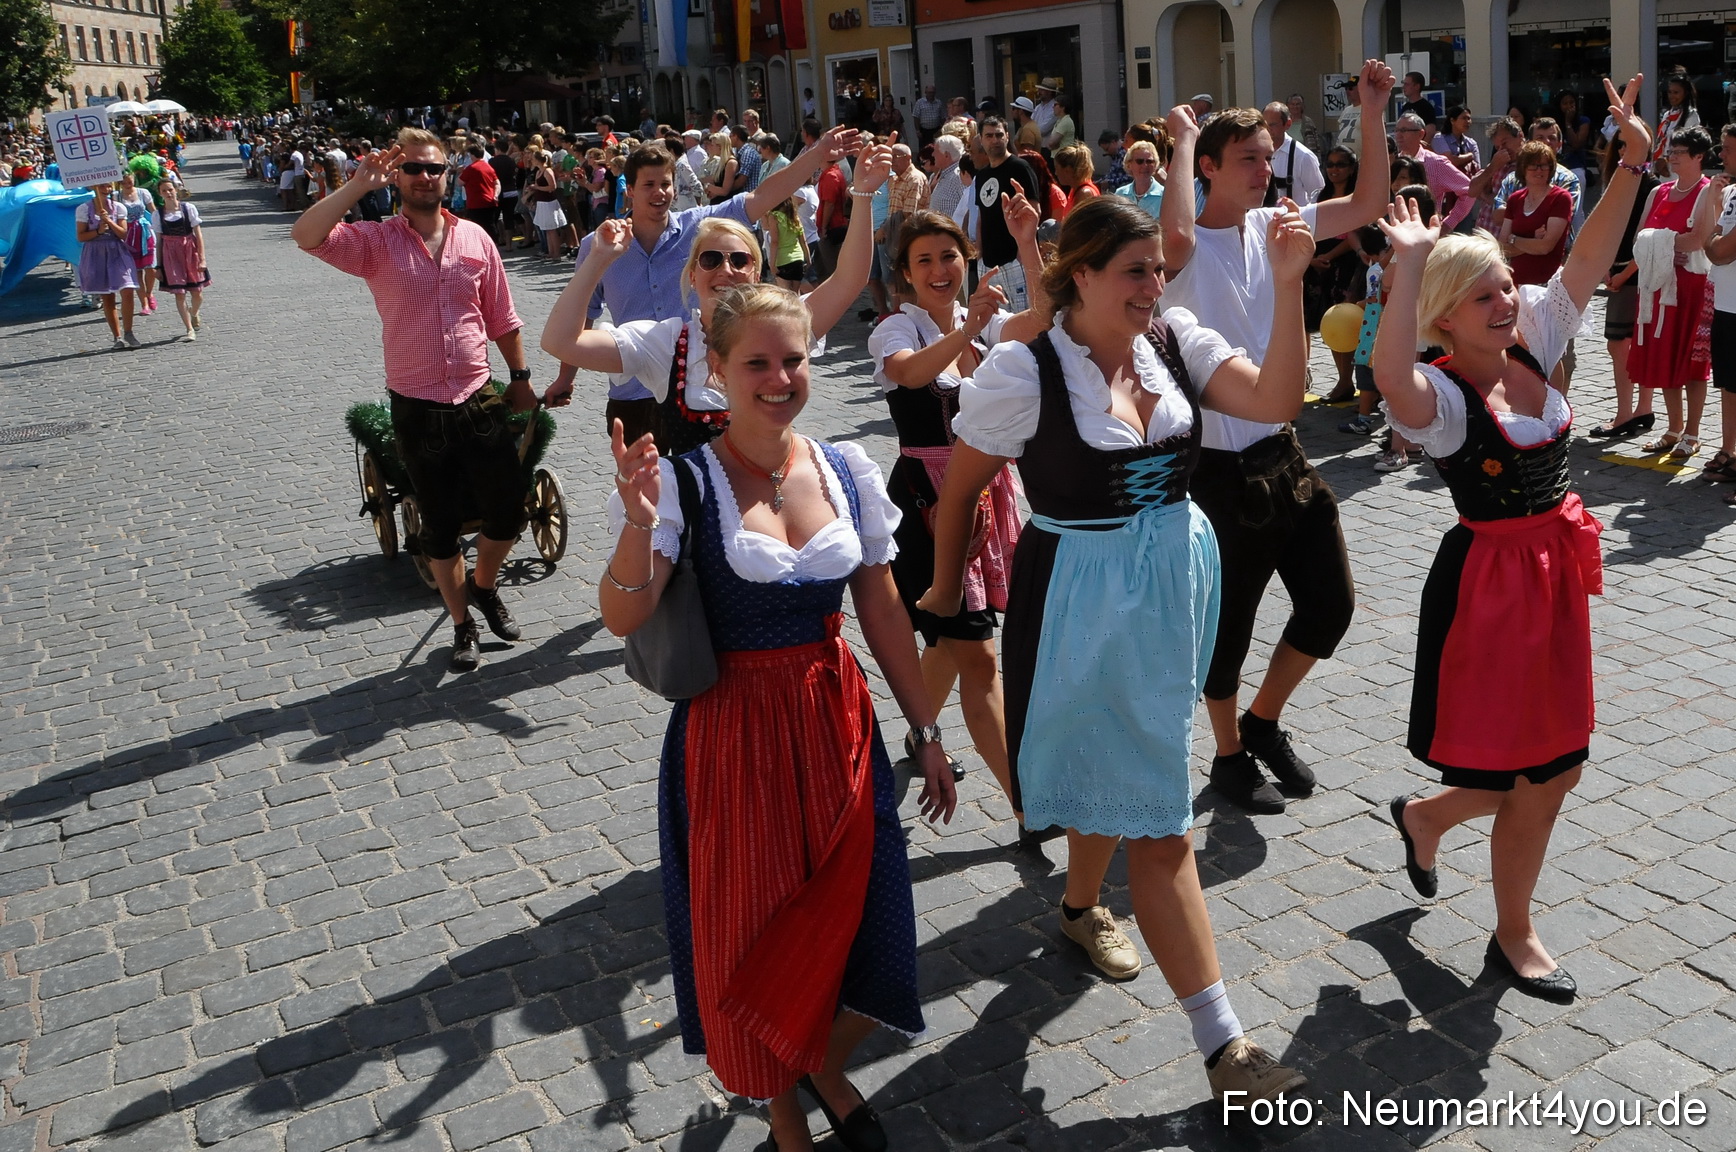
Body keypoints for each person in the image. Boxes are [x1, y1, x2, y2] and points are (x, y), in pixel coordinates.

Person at [918, 194, 1316, 1104]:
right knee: (1158, 806)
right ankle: (1226, 1045)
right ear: (1081, 272)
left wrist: (1288, 287)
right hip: (1080, 595)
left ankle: (1075, 905)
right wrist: (945, 592)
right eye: (1135, 270)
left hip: (1173, 575)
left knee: (1133, 758)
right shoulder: (1023, 370)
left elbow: (1276, 398)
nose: (1154, 286)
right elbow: (963, 491)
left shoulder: (1174, 340)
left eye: (1159, 270)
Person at [602, 282, 955, 1152]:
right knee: (754, 927)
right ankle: (786, 1104)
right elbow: (622, 616)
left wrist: (927, 730)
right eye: (755, 362)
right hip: (734, 735)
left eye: (792, 359)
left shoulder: (843, 468)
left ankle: (819, 1061)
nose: (778, 377)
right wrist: (637, 528)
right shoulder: (684, 481)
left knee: (863, 913)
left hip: (837, 721)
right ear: (716, 371)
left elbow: (880, 610)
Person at [1374, 75, 1655, 1005]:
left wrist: (1629, 166)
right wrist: (1410, 260)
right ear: (1446, 314)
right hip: (1490, 588)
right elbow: (1389, 380)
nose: (1505, 300)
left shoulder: (1533, 334)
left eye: (1504, 286)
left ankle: (1424, 819)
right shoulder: (1444, 397)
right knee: (1522, 767)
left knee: (1556, 763)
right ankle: (1514, 932)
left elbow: (1582, 262)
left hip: (1553, 574)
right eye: (1483, 294)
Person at [1160, 62, 1394, 812]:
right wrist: (1182, 140)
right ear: (1208, 169)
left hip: (1285, 456)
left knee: (1330, 604)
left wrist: (1372, 111)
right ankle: (1228, 757)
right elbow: (1170, 235)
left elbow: (1369, 201)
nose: (1264, 169)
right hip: (1218, 474)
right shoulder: (1187, 244)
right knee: (1226, 631)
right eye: (1247, 159)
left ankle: (1262, 722)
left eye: (1267, 156)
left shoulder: (1277, 225)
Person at [293, 131, 537, 672]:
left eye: (434, 169)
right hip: (417, 405)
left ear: (447, 176)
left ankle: (484, 585)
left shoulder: (476, 239)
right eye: (414, 170)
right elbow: (307, 235)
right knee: (441, 528)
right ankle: (461, 624)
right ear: (398, 178)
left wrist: (519, 376)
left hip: (479, 395)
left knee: (507, 510)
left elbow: (501, 315)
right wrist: (355, 186)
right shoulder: (376, 242)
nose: (425, 177)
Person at [541, 141, 892, 455]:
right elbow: (565, 336)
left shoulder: (779, 326)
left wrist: (857, 192)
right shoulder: (666, 341)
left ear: (757, 272)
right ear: (692, 274)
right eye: (710, 260)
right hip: (635, 391)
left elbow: (847, 279)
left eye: (740, 260)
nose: (726, 269)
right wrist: (599, 260)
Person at [869, 204, 1046, 808]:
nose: (939, 269)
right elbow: (911, 375)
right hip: (929, 503)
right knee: (980, 658)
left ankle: (921, 734)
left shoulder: (987, 323)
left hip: (987, 497)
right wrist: (968, 330)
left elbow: (1044, 320)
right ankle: (1027, 805)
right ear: (906, 274)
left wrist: (1027, 243)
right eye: (925, 261)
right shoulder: (896, 328)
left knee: (949, 644)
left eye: (948, 255)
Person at [1625, 125, 1723, 460]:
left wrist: (1661, 242)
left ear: (1699, 157)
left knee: (1693, 364)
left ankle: (1693, 433)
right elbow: (1640, 237)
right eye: (1671, 151)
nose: (1672, 157)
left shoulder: (1708, 192)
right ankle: (1673, 428)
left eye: (1679, 152)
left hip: (1691, 289)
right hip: (1658, 287)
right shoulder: (1659, 191)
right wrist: (1666, 245)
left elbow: (1698, 241)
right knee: (1664, 359)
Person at [1586, 131, 1660, 440]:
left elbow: (1651, 240)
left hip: (1639, 274)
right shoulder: (1617, 182)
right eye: (1621, 144)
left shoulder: (1652, 186)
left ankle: (1628, 413)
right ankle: (1638, 409)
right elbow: (1607, 230)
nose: (1624, 150)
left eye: (1631, 144)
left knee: (1624, 344)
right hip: (1620, 271)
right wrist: (1604, 267)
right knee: (1628, 344)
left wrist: (1622, 274)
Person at [1700, 126, 1736, 491]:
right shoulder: (1731, 193)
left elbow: (1721, 251)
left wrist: (1714, 241)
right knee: (1728, 383)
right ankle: (1730, 450)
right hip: (1728, 304)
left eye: (1727, 149)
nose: (1720, 155)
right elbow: (1713, 239)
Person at [76, 182, 140, 351]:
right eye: (102, 186)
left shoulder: (118, 207)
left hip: (116, 250)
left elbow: (123, 233)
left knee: (127, 289)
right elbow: (81, 236)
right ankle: (117, 336)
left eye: (108, 186)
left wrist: (108, 222)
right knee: (107, 295)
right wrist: (98, 230)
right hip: (96, 252)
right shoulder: (84, 209)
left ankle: (128, 331)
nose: (106, 189)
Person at [1394, 113, 1473, 229]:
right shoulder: (1391, 162)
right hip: (1396, 233)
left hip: (1427, 233)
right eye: (1397, 130)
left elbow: (1469, 191)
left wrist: (1448, 224)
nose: (1398, 135)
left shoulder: (1435, 163)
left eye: (1404, 130)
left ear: (1420, 134)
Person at [155, 179, 208, 341]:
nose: (168, 193)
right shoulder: (158, 213)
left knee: (198, 293)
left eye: (170, 189)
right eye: (164, 191)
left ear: (176, 190)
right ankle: (189, 328)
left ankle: (194, 312)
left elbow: (198, 235)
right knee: (179, 293)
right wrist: (158, 265)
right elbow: (158, 241)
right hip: (170, 254)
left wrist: (202, 258)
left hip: (189, 250)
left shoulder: (188, 208)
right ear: (160, 194)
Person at [1262, 103, 1324, 206]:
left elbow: (1318, 197)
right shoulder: (1258, 155)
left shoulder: (1303, 156)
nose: (1268, 129)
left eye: (1272, 125)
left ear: (1288, 124)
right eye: (1264, 125)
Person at [1650, 75, 1701, 173]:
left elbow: (1688, 145)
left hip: (1680, 168)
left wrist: (1668, 159)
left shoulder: (1691, 116)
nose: (1671, 96)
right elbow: (1661, 140)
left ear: (1685, 93)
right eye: (1670, 92)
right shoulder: (1667, 115)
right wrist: (1659, 160)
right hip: (1663, 168)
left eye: (1676, 92)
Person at [1114, 141, 1164, 217]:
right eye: (1139, 161)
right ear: (1129, 164)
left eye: (1149, 161)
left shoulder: (1164, 196)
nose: (1145, 165)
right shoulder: (1120, 194)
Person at [1050, 143, 1098, 217]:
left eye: (1057, 168)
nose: (1056, 173)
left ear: (1067, 170)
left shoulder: (1084, 193)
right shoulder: (1075, 189)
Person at [1431, 106, 1482, 175]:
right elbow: (1450, 161)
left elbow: (1477, 169)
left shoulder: (1471, 143)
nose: (1467, 122)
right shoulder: (1439, 139)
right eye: (1464, 118)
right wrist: (1470, 156)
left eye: (1469, 118)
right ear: (1452, 120)